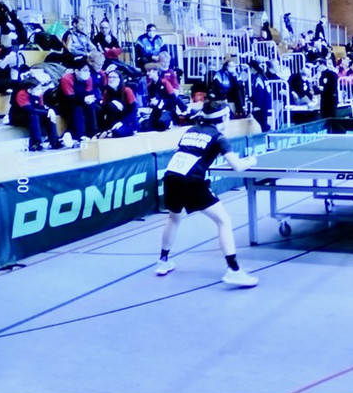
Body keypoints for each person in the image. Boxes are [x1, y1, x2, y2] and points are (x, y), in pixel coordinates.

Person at [154, 101, 260, 287]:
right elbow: (237, 166)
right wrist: (251, 161)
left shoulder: (190, 130)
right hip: (192, 181)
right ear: (224, 118)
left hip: (171, 177)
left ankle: (163, 261)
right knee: (224, 220)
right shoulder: (219, 138)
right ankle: (234, 270)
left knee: (173, 218)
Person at [9, 76, 65, 151]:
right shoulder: (21, 94)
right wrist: (46, 112)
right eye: (37, 89)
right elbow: (29, 109)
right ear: (29, 90)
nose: (40, 90)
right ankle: (36, 142)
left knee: (49, 115)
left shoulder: (39, 95)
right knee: (34, 115)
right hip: (19, 116)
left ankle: (55, 141)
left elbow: (41, 107)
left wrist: (49, 111)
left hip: (34, 115)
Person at [57, 57, 101, 141]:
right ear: (77, 71)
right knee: (78, 109)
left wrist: (90, 99)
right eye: (85, 70)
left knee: (93, 106)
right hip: (66, 103)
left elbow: (89, 93)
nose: (88, 73)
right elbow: (70, 97)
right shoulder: (67, 78)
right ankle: (79, 135)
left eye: (88, 71)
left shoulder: (88, 79)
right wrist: (84, 100)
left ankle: (92, 133)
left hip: (81, 101)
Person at [100, 68, 140, 137]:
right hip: (115, 120)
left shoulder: (127, 91)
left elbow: (134, 110)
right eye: (109, 77)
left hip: (127, 120)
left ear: (119, 79)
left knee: (118, 132)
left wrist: (123, 122)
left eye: (114, 77)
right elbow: (103, 111)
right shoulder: (106, 93)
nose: (111, 79)